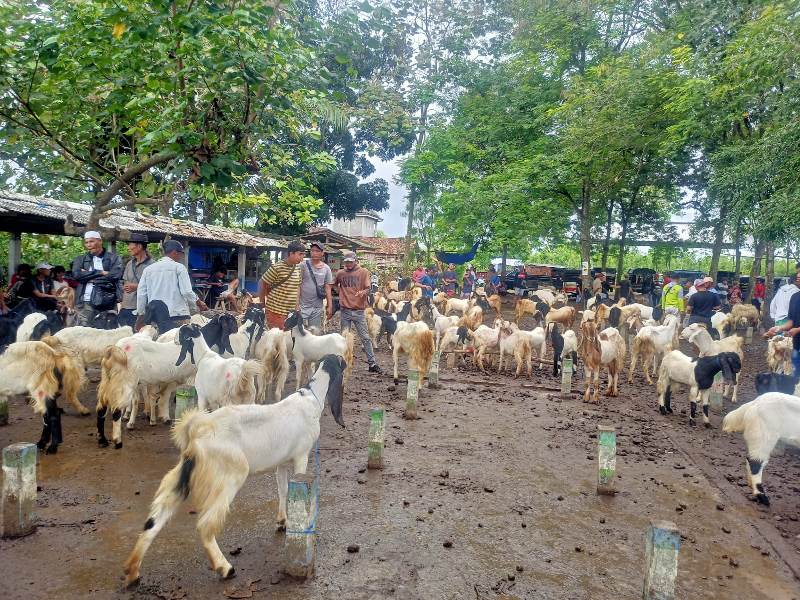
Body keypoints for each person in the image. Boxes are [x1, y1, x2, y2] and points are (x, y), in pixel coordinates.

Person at [136, 240, 207, 331]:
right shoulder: (179, 267)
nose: (181, 256)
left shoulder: (148, 270)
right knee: (178, 344)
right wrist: (198, 303)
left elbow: (141, 295)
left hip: (156, 317)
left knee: (159, 342)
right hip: (178, 316)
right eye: (180, 253)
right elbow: (186, 292)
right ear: (174, 252)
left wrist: (141, 315)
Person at [334, 251, 382, 373]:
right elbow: (333, 285)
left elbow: (368, 288)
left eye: (350, 261)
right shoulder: (341, 273)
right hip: (345, 310)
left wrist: (363, 293)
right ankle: (343, 362)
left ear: (355, 261)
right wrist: (340, 293)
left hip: (359, 311)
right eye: (346, 262)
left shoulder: (363, 272)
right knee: (344, 338)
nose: (348, 264)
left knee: (365, 338)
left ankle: (372, 364)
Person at [72, 230, 123, 326]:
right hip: (85, 301)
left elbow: (115, 275)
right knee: (85, 330)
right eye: (86, 242)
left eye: (91, 241)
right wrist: (100, 272)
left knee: (107, 330)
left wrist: (88, 277)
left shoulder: (114, 258)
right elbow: (76, 275)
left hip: (108, 300)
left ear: (100, 241)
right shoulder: (80, 259)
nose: (89, 245)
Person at [259, 240, 305, 330]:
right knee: (277, 340)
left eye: (303, 254)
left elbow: (297, 287)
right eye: (300, 254)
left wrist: (296, 305)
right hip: (275, 311)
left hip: (290, 312)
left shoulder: (298, 269)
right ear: (291, 253)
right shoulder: (277, 267)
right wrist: (262, 302)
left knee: (287, 339)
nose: (302, 257)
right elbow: (262, 282)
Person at [765, 272, 800, 376]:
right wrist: (779, 328)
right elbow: (791, 321)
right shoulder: (794, 297)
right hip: (796, 344)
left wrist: (798, 330)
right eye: (798, 277)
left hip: (796, 334)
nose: (798, 279)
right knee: (795, 373)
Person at [118, 233, 154, 328]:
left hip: (141, 310)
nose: (128, 248)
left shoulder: (152, 265)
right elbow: (126, 282)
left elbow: (155, 286)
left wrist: (137, 287)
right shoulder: (129, 263)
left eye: (130, 245)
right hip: (125, 308)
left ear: (139, 246)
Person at [299, 241, 334, 330]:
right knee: (299, 332)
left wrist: (330, 306)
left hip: (317, 307)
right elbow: (297, 285)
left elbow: (328, 287)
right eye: (312, 250)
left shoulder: (326, 268)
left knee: (314, 332)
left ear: (322, 253)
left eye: (317, 251)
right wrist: (296, 305)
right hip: (302, 305)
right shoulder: (302, 265)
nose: (314, 253)